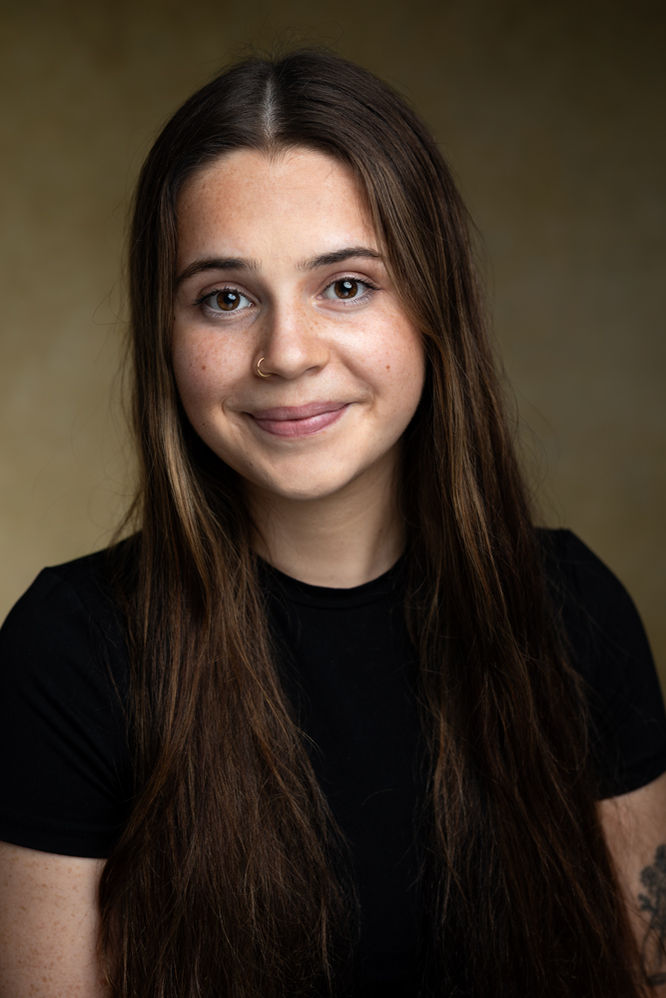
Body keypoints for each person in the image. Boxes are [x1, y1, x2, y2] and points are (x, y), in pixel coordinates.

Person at [0, 48, 665, 998]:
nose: (287, 353)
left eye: (346, 285)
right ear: (166, 332)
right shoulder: (68, 652)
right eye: (225, 299)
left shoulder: (572, 610)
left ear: (434, 308)